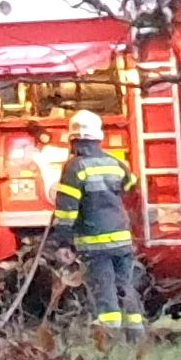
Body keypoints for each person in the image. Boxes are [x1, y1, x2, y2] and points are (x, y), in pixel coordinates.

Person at [53, 110, 144, 342]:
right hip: (122, 239)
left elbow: (67, 210)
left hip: (95, 243)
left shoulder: (74, 168)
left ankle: (109, 341)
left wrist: (63, 241)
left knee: (104, 292)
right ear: (98, 137)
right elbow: (131, 184)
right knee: (126, 286)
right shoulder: (114, 163)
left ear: (72, 139)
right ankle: (136, 336)